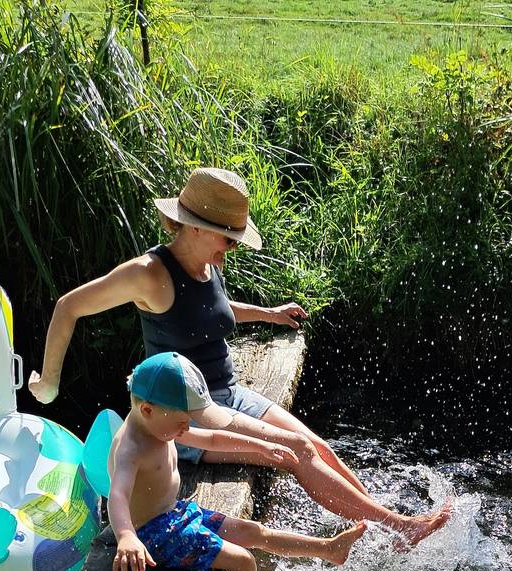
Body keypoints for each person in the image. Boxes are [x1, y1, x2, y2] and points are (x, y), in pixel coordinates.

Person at [30, 166, 450, 546]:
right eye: (226, 238)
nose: (231, 247)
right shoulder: (148, 274)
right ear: (194, 227)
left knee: (316, 444)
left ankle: (380, 518)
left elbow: (215, 311)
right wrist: (48, 383)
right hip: (189, 414)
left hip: (229, 393)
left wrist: (268, 314)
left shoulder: (210, 264)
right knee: (297, 451)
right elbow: (69, 306)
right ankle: (402, 527)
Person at [109, 352, 367, 571]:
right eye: (184, 422)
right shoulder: (131, 447)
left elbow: (212, 438)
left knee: (253, 532)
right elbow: (118, 495)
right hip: (153, 536)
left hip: (175, 514)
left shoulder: (161, 424)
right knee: (244, 561)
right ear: (147, 409)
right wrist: (126, 537)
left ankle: (328, 549)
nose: (187, 428)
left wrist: (259, 446)